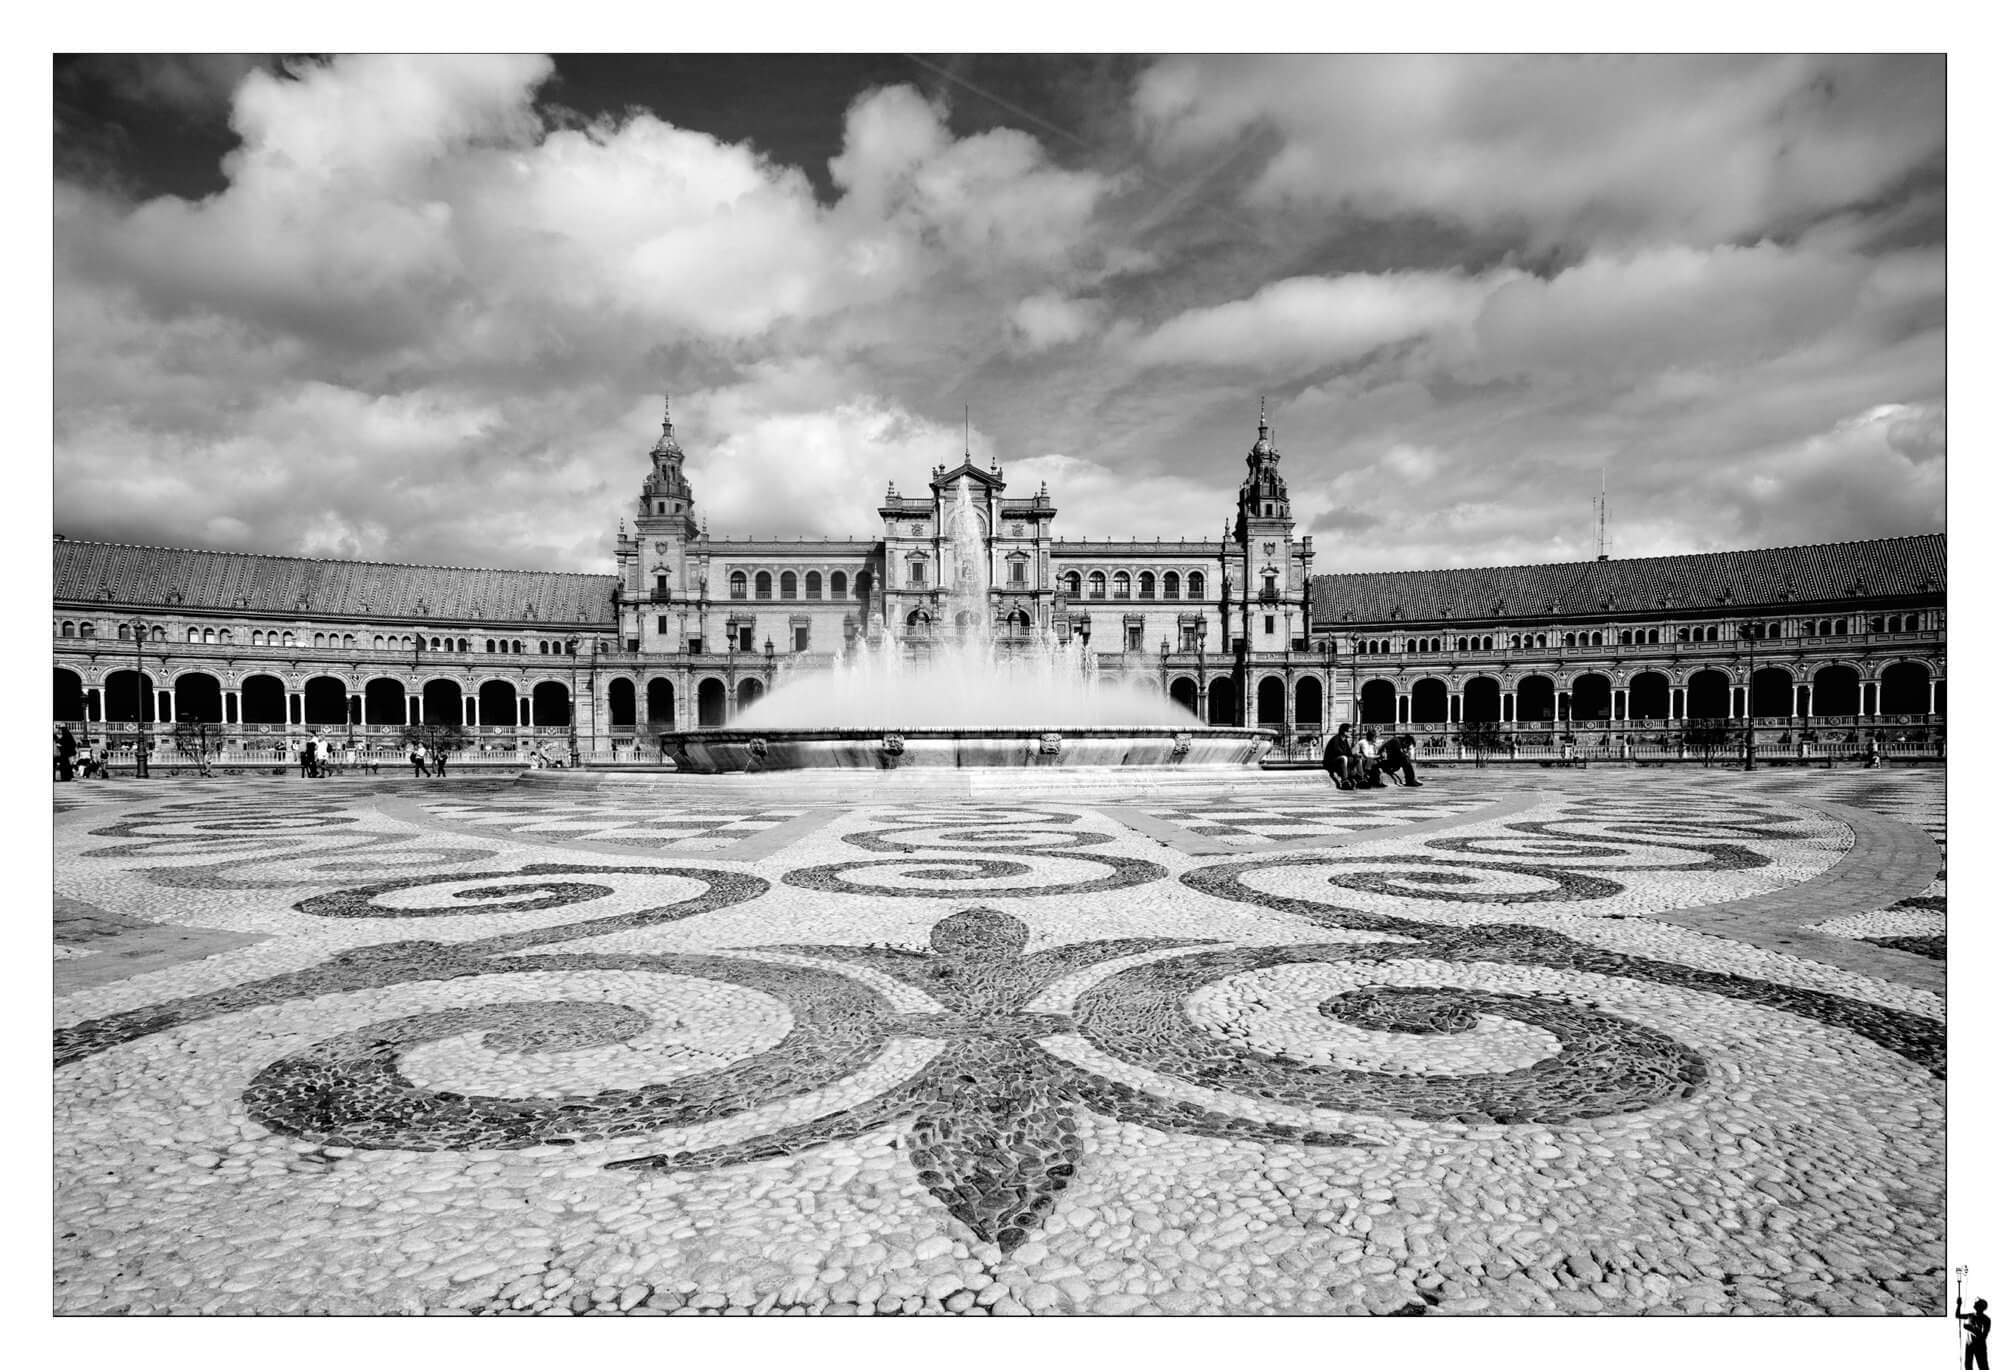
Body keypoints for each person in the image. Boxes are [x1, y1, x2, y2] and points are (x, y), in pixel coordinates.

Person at [1322, 724, 1356, 790]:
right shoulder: (1336, 739)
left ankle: (1358, 778)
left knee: (1357, 759)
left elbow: (1349, 752)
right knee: (1344, 758)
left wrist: (1354, 755)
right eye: (1349, 731)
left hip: (1340, 760)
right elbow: (1338, 752)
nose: (1351, 733)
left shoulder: (1345, 740)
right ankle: (1344, 780)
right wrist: (1350, 754)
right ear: (1344, 732)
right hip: (1331, 761)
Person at [1960, 1295, 1990, 1370]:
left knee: (1983, 1366)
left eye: (1976, 1303)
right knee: (1968, 1366)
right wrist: (1959, 1305)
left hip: (1979, 1346)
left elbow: (1984, 1335)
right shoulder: (1971, 1315)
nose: (1974, 1304)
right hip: (1970, 1345)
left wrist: (1971, 1329)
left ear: (1980, 1307)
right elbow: (1957, 1315)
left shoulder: (1986, 1319)